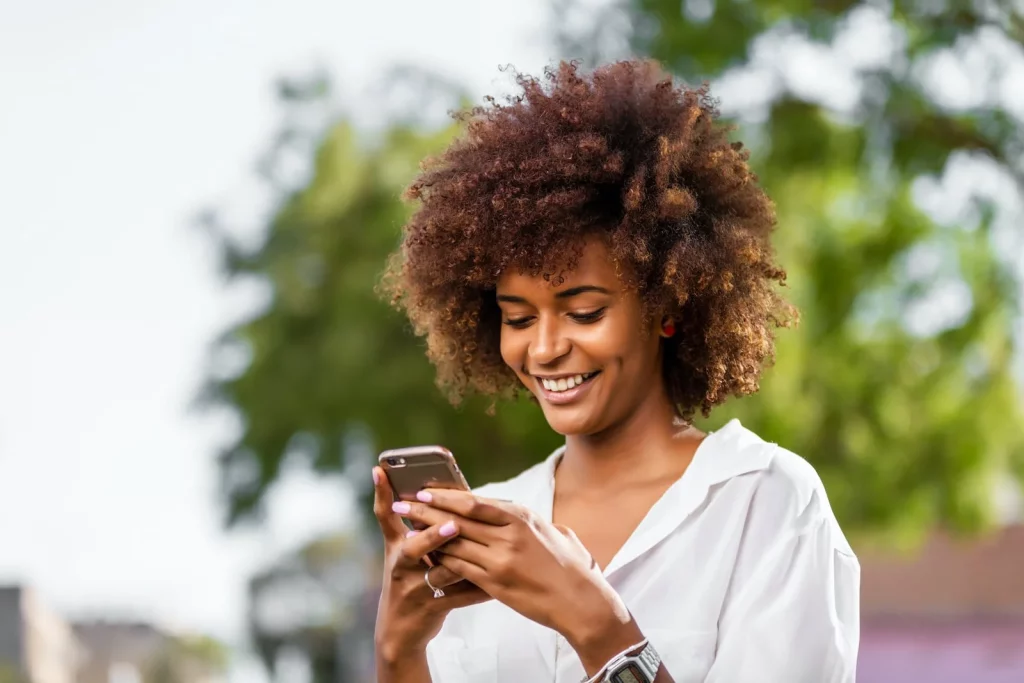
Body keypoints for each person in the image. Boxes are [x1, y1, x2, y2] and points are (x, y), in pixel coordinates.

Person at [372, 59, 860, 683]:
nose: (545, 349)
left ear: (666, 306)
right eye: (518, 320)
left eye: (583, 311)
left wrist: (599, 626)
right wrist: (398, 650)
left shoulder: (764, 501)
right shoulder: (488, 525)